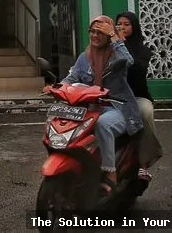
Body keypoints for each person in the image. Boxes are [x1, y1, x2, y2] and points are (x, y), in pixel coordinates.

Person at [43, 15, 143, 195]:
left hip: (117, 108)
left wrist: (113, 36)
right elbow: (72, 78)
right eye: (92, 31)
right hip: (90, 108)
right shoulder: (85, 57)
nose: (95, 35)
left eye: (100, 32)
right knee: (66, 125)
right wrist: (55, 87)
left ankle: (110, 172)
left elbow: (129, 61)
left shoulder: (116, 55)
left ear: (108, 35)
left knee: (103, 124)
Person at [115, 12, 164, 183]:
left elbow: (137, 70)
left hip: (137, 96)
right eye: (119, 24)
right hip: (114, 96)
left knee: (144, 114)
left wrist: (121, 45)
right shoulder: (109, 47)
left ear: (134, 27)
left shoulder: (143, 50)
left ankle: (143, 164)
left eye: (126, 24)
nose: (122, 27)